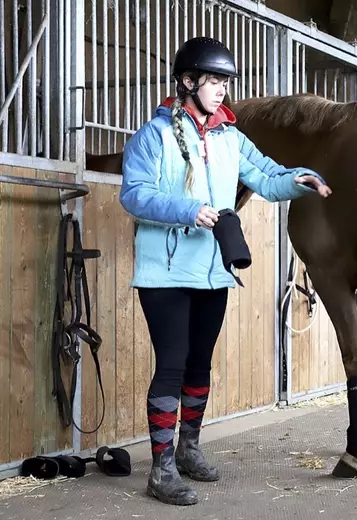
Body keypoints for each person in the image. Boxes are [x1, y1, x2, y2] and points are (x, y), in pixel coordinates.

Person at [118, 36, 331, 507]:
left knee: (199, 364)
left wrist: (301, 178)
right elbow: (133, 194)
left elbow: (267, 175)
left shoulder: (230, 137)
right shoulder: (153, 136)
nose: (221, 90)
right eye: (213, 81)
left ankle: (189, 449)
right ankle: (161, 469)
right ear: (188, 82)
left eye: (225, 82)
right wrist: (189, 209)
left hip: (214, 272)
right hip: (166, 274)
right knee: (172, 365)